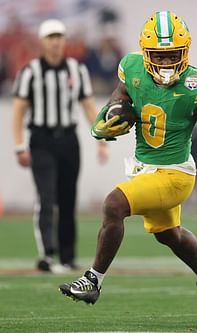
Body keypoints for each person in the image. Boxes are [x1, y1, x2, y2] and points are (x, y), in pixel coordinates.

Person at [58, 11, 197, 322]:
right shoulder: (132, 67)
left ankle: (93, 280)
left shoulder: (195, 84)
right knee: (168, 235)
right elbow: (119, 99)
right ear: (147, 53)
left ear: (185, 52)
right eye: (160, 57)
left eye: (172, 56)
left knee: (114, 205)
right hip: (144, 169)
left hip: (176, 175)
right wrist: (104, 122)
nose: (166, 64)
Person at [12, 19, 109, 273]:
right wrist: (19, 145)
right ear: (42, 41)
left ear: (64, 40)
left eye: (59, 36)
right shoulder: (30, 71)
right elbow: (19, 109)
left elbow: (88, 105)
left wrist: (101, 138)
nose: (55, 41)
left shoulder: (76, 70)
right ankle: (46, 255)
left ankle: (67, 257)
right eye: (50, 37)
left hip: (68, 139)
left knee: (68, 198)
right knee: (46, 197)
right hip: (41, 139)